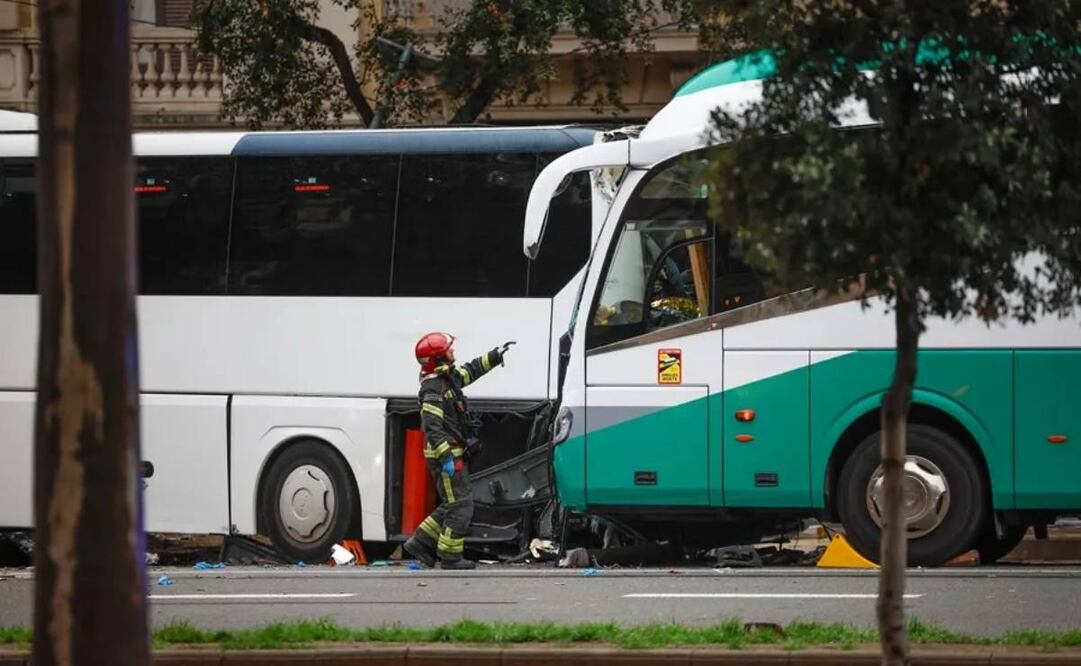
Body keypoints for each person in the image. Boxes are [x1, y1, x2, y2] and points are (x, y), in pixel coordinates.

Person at [403, 332, 515, 569]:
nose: (453, 353)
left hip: (453, 452)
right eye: (449, 350)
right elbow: (432, 428)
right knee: (461, 505)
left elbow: (470, 371)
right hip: (446, 455)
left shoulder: (448, 379)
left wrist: (494, 356)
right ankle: (449, 557)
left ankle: (421, 542)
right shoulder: (432, 388)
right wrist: (446, 458)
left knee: (452, 502)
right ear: (438, 358)